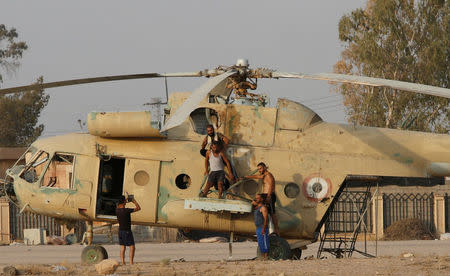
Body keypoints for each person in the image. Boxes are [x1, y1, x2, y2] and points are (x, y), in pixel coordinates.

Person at [243, 162, 279, 235]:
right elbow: (258, 177)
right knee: (257, 205)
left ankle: (276, 230)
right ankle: (264, 227)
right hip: (264, 195)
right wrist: (247, 177)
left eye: (261, 168)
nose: (259, 170)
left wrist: (268, 196)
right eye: (258, 169)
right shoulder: (264, 175)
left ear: (265, 167)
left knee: (272, 213)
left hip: (269, 195)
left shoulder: (268, 175)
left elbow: (271, 186)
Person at [116, 195, 141, 265]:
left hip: (120, 231)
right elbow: (138, 208)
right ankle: (131, 262)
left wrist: (124, 201)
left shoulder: (117, 210)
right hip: (127, 231)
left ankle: (123, 262)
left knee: (122, 247)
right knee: (132, 247)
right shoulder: (126, 210)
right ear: (123, 202)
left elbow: (119, 205)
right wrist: (134, 201)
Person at [253, 193, 269, 260]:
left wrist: (264, 228)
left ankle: (266, 256)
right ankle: (263, 257)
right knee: (260, 243)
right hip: (258, 228)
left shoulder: (263, 208)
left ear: (261, 199)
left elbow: (266, 219)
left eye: (258, 198)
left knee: (265, 242)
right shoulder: (257, 208)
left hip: (262, 227)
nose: (256, 199)